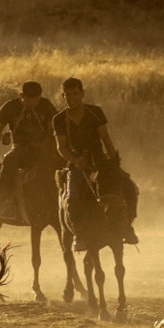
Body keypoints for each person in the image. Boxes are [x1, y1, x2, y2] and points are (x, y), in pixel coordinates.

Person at [53, 77, 139, 251]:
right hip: (77, 165)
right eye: (67, 94)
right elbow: (61, 147)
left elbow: (105, 138)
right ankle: (78, 234)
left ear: (82, 94)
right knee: (72, 197)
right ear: (63, 96)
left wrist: (114, 162)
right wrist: (76, 161)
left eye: (75, 93)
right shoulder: (59, 119)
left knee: (130, 187)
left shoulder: (95, 112)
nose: (72, 98)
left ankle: (128, 226)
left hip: (101, 162)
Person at [0, 81, 57, 220]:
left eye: (36, 100)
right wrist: (2, 138)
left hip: (43, 148)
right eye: (29, 100)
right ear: (22, 96)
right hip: (20, 148)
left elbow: (53, 130)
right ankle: (7, 202)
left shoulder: (46, 106)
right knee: (9, 161)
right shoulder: (10, 107)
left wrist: (44, 146)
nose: (33, 104)